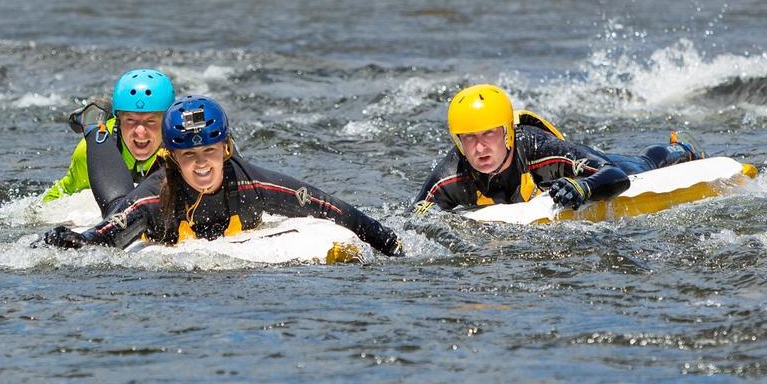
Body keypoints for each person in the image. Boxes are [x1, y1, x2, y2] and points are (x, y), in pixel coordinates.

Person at [44, 95, 403, 256]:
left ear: (226, 149)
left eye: (209, 152)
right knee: (115, 207)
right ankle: (97, 127)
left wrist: (392, 246)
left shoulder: (253, 183)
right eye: (188, 156)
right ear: (171, 158)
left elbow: (332, 207)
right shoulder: (152, 198)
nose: (201, 165)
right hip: (141, 218)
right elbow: (96, 240)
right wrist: (67, 241)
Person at [413, 84, 702, 213]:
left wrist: (583, 189)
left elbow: (616, 176)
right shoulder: (450, 175)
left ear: (507, 133)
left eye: (489, 133)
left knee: (640, 165)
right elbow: (415, 217)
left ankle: (679, 148)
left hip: (591, 171)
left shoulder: (541, 150)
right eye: (469, 138)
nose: (480, 147)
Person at [39, 68, 175, 212]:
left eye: (151, 121)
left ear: (167, 121)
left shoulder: (182, 147)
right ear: (118, 119)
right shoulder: (92, 150)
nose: (140, 132)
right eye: (130, 120)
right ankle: (91, 118)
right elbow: (56, 199)